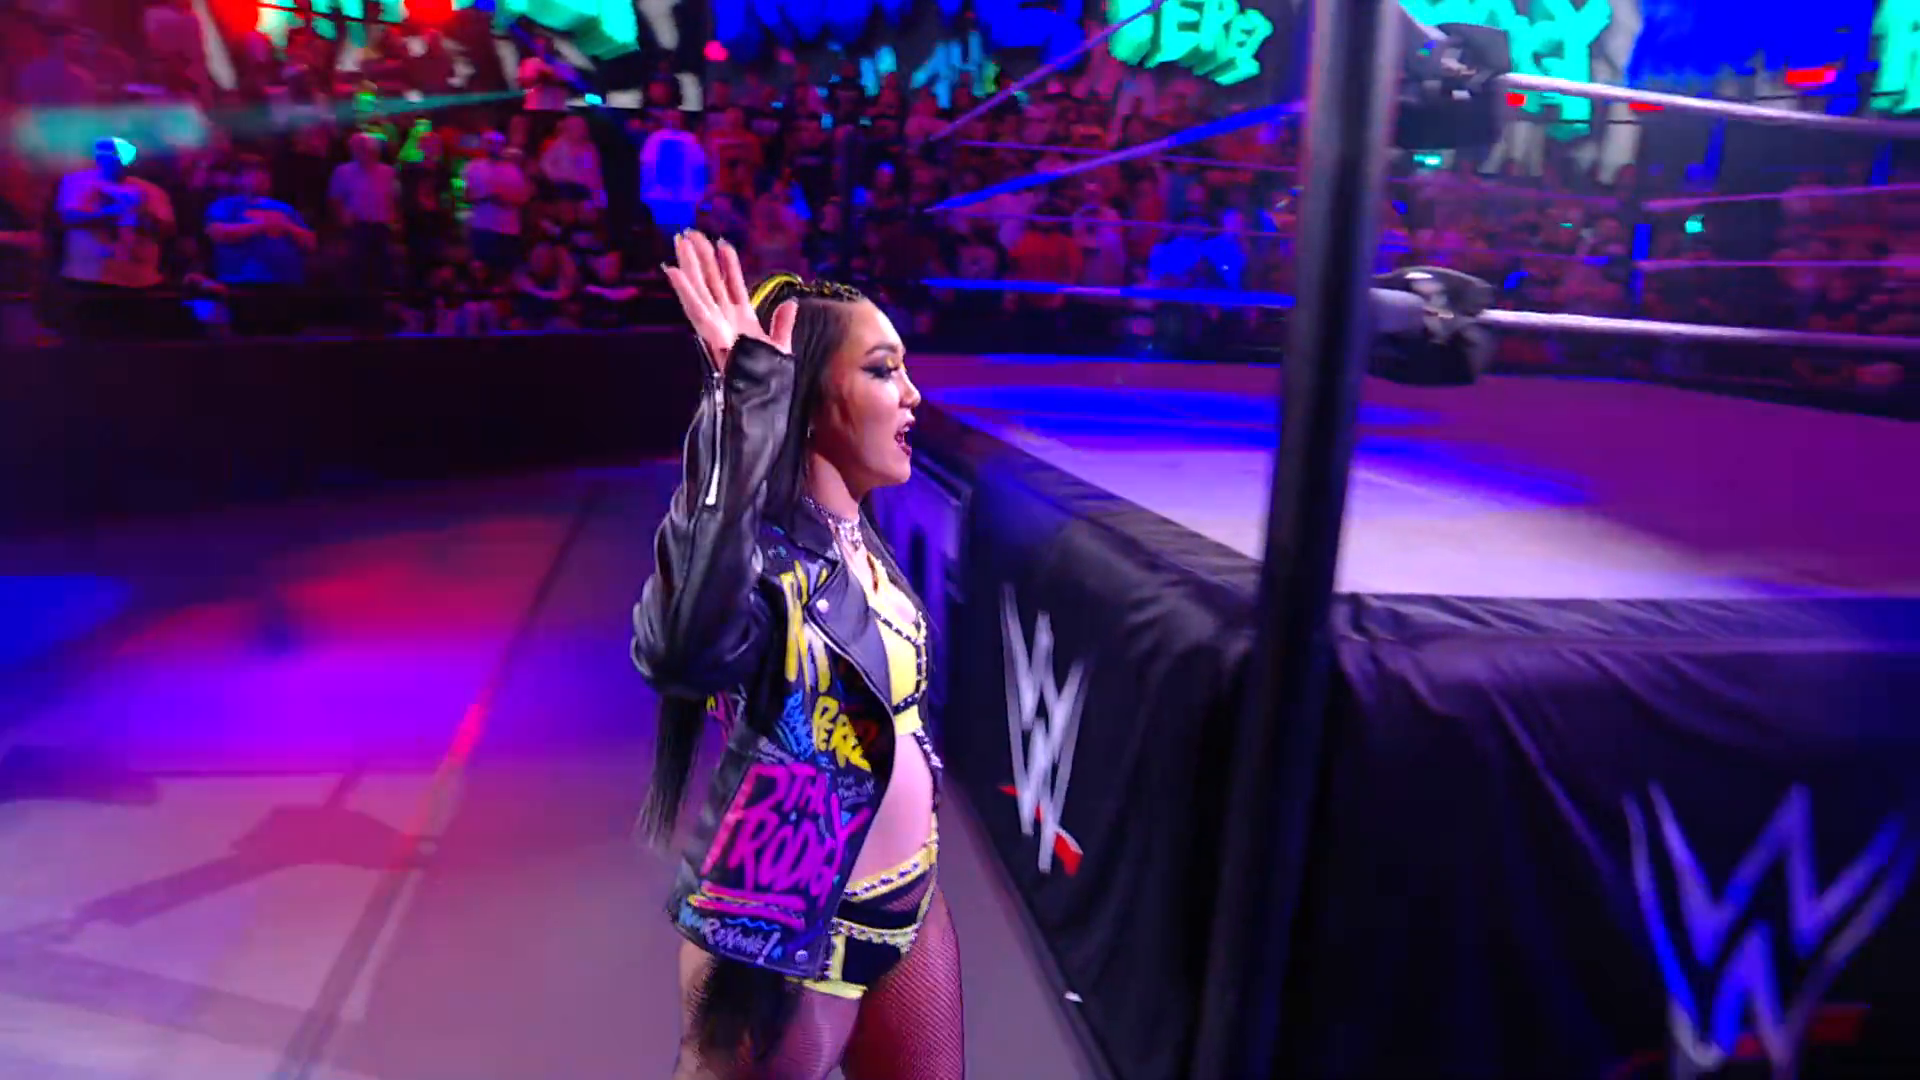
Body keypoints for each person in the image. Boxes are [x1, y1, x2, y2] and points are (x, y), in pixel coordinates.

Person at [633, 231, 960, 1080]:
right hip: (779, 939)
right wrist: (745, 409)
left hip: (911, 906)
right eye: (884, 370)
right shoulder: (760, 564)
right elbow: (681, 651)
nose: (913, 394)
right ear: (808, 397)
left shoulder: (860, 539)